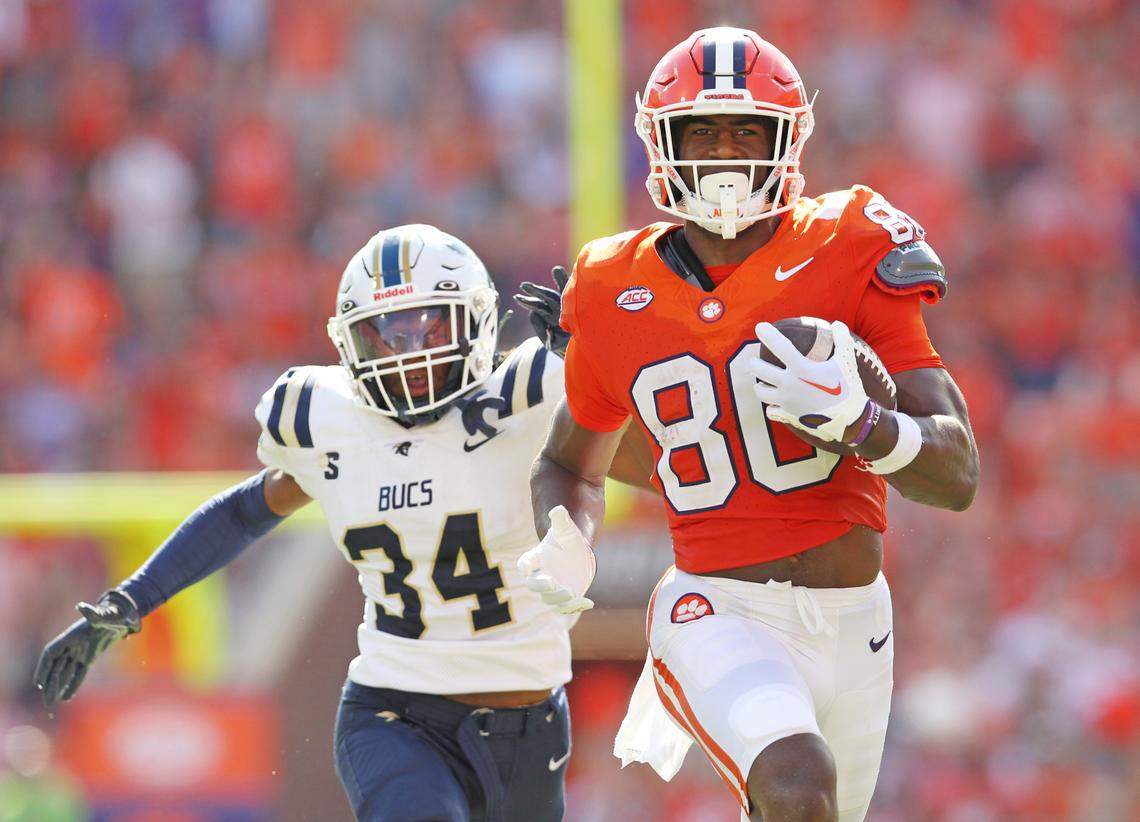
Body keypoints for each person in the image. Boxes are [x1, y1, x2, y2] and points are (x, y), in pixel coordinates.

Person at [34, 224, 651, 822]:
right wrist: (133, 598)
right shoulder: (333, 423)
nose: (407, 352)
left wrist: (599, 370)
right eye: (384, 333)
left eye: (425, 325)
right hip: (396, 715)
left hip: (530, 724)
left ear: (477, 322)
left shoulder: (530, 391)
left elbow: (665, 459)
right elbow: (246, 509)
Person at [518, 27, 980, 822]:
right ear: (665, 145)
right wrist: (566, 532)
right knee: (797, 787)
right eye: (703, 131)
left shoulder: (850, 244)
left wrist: (866, 425)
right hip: (715, 608)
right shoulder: (610, 286)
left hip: (855, 619)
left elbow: (957, 475)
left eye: (746, 131)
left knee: (809, 807)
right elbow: (571, 459)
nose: (726, 152)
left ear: (786, 140)